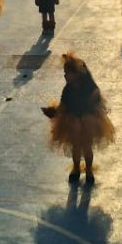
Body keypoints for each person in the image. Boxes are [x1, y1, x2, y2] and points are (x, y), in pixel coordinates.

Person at [42, 53, 114, 185]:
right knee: (76, 146)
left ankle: (89, 170)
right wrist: (54, 113)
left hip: (88, 120)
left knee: (87, 146)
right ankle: (76, 168)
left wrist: (94, 98)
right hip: (73, 119)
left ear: (77, 74)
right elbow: (63, 107)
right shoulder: (67, 90)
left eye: (67, 73)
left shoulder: (89, 87)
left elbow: (96, 96)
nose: (65, 76)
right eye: (64, 73)